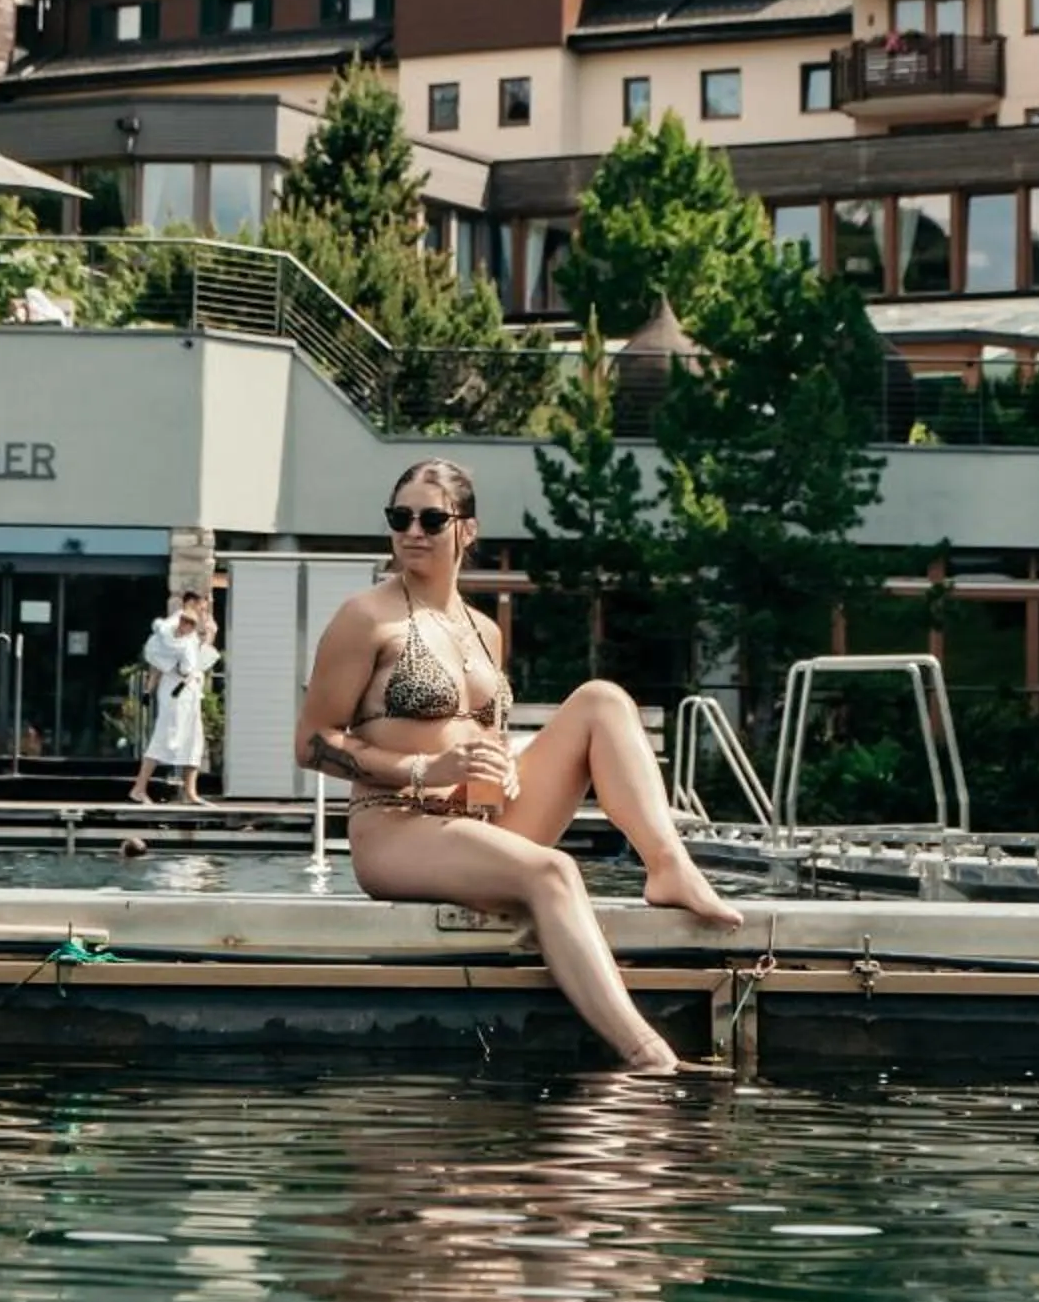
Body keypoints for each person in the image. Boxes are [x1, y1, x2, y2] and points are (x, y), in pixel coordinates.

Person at [293, 457, 742, 1077]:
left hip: (478, 820)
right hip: (396, 825)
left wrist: (499, 766)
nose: (412, 531)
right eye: (400, 518)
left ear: (466, 530)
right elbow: (312, 742)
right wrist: (427, 767)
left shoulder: (482, 630)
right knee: (555, 873)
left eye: (430, 518)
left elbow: (484, 738)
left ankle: (667, 867)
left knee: (603, 700)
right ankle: (650, 1059)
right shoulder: (366, 618)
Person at [131, 590, 219, 806]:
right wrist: (148, 689)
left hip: (191, 689)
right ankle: (139, 788)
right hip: (174, 689)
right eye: (201, 606)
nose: (204, 611)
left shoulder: (196, 628)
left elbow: (200, 659)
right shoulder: (171, 627)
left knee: (194, 737)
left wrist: (208, 637)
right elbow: (158, 661)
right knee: (165, 735)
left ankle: (190, 791)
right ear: (190, 603)